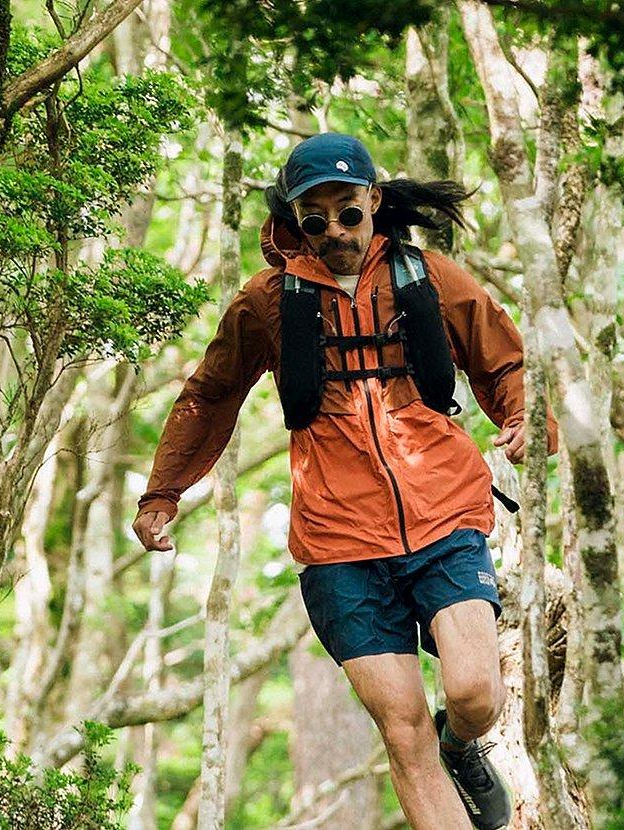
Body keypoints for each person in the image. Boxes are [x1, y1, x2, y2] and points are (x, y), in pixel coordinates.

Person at [131, 132, 554, 830]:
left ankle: (462, 745)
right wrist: (163, 492)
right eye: (316, 219)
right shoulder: (267, 301)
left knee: (475, 694)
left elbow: (503, 359)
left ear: (373, 203)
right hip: (338, 545)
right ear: (296, 221)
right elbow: (210, 394)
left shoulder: (428, 278)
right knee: (403, 731)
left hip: (444, 514)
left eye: (348, 213)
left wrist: (524, 417)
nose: (335, 231)